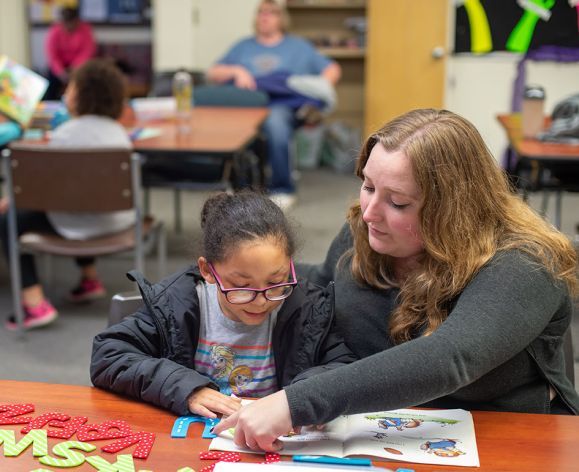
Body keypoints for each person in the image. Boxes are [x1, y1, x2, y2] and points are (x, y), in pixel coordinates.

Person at [215, 108, 579, 451]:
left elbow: (448, 357)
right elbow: (322, 300)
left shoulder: (526, 262)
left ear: (452, 209)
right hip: (380, 434)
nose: (370, 213)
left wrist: (295, 404)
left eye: (398, 202)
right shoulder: (365, 231)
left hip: (504, 441)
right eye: (369, 186)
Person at [90, 191, 356, 417]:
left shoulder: (306, 308)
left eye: (276, 281)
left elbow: (345, 367)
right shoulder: (175, 304)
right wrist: (185, 388)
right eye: (242, 286)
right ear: (207, 271)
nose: (261, 300)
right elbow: (109, 355)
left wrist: (300, 399)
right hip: (194, 440)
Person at [0, 58, 134, 330]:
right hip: (117, 220)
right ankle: (89, 278)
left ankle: (34, 303)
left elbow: (40, 191)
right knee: (83, 199)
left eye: (70, 89)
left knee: (9, 219)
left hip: (77, 222)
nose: (64, 94)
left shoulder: (63, 136)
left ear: (80, 96)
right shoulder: (120, 134)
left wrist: (10, 202)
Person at [206, 0, 341, 210]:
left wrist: (315, 90)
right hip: (250, 104)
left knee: (275, 123)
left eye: (271, 12)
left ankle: (282, 189)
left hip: (281, 104)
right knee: (235, 127)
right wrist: (237, 72)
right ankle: (240, 187)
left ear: (282, 18)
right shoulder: (243, 46)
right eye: (261, 12)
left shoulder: (298, 47)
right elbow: (213, 73)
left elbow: (332, 69)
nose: (265, 16)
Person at [44, 7, 96, 100]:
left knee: (88, 81)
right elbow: (52, 55)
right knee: (50, 84)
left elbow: (87, 52)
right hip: (59, 67)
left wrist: (74, 68)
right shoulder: (54, 31)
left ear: (76, 21)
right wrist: (60, 72)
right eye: (65, 23)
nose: (68, 26)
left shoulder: (85, 29)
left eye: (70, 22)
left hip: (79, 66)